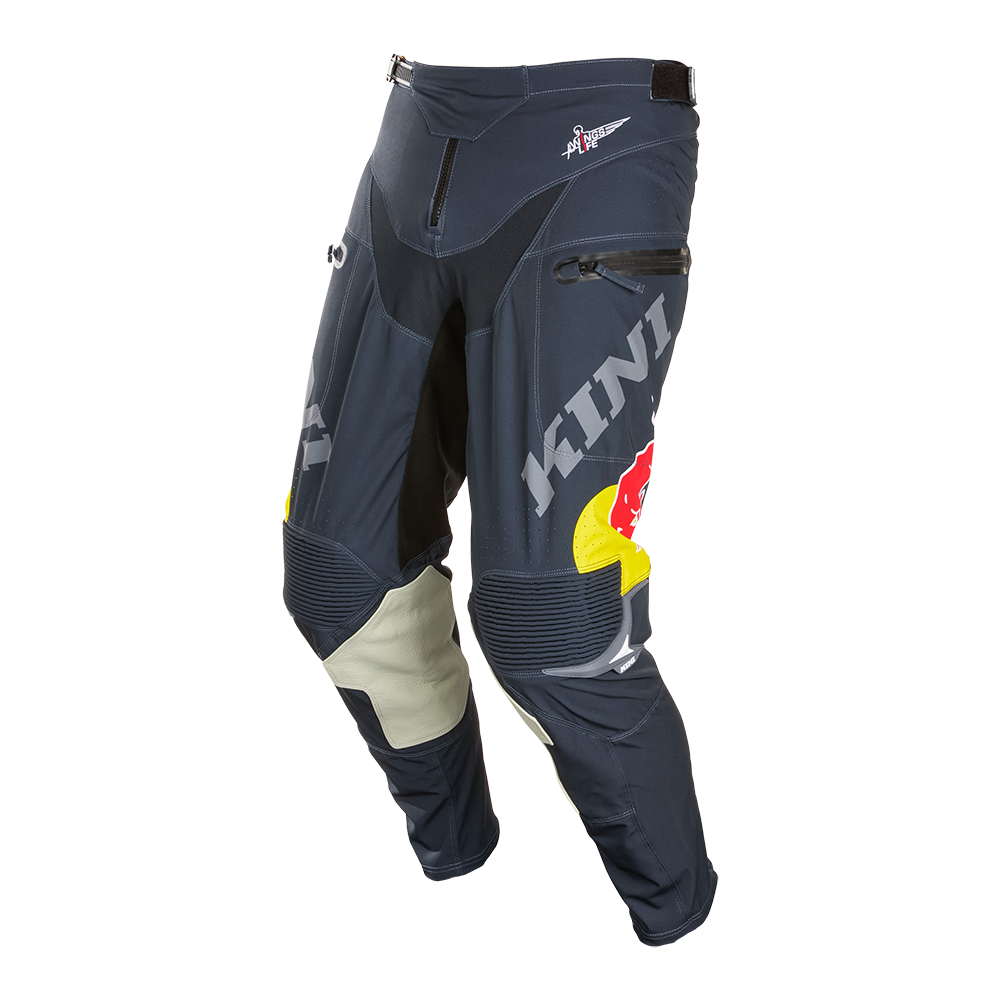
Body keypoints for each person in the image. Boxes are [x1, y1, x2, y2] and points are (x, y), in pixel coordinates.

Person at [283, 52, 717, 947]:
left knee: (556, 626)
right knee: (341, 580)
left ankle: (676, 935)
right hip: (417, 135)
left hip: (598, 144)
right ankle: (458, 897)